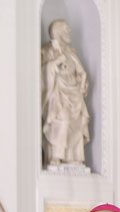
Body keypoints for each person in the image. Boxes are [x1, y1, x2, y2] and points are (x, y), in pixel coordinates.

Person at [41, 19, 90, 167]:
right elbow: (44, 71)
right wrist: (56, 62)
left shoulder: (71, 52)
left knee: (78, 121)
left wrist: (83, 82)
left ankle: (74, 157)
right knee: (63, 120)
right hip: (58, 94)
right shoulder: (48, 50)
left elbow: (80, 71)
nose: (69, 32)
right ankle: (56, 156)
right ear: (58, 32)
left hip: (74, 93)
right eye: (66, 30)